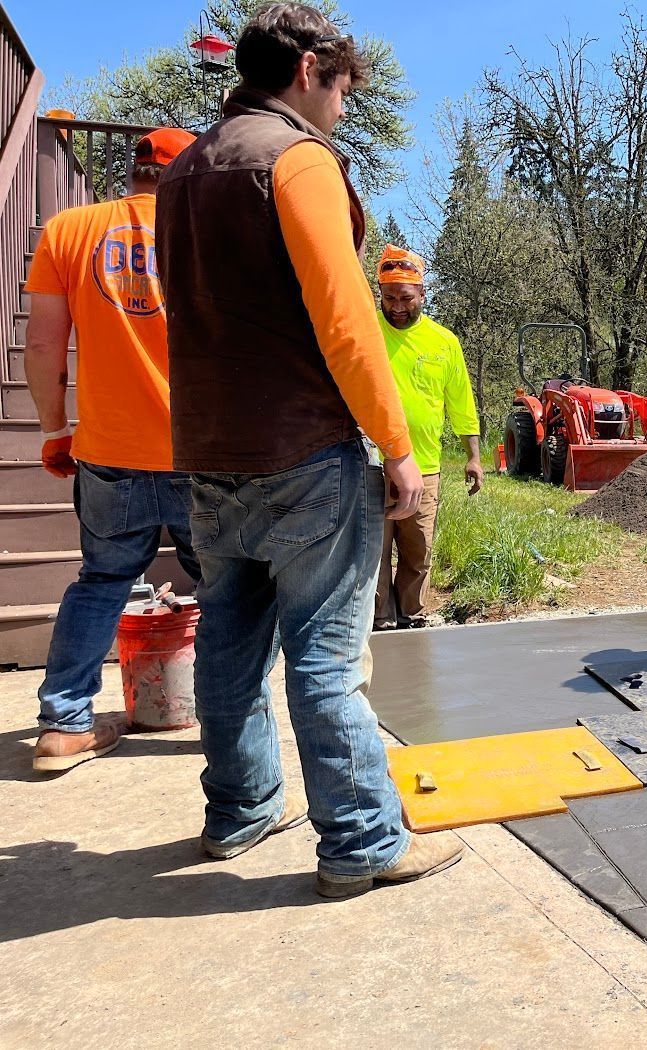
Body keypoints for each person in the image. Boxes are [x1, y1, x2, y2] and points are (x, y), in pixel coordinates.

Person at [157, 3, 461, 898]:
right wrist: (396, 445)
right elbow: (345, 319)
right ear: (306, 69)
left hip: (209, 452)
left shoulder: (181, 174)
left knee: (230, 645)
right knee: (327, 662)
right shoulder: (297, 161)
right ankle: (363, 843)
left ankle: (241, 809)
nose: (341, 110)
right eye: (340, 91)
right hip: (301, 451)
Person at [25, 127, 201, 773]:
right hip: (201, 453)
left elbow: (43, 347)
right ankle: (234, 719)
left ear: (134, 170)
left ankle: (64, 724)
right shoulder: (211, 233)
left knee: (101, 581)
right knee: (230, 587)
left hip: (109, 450)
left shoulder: (69, 230)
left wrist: (54, 430)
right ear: (188, 174)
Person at [373, 244, 483, 631]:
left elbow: (460, 400)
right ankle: (380, 617)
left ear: (423, 294)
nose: (397, 306)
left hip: (425, 465)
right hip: (370, 464)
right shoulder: (366, 333)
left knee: (417, 548)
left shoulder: (443, 342)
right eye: (389, 298)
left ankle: (413, 613)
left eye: (405, 298)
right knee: (375, 550)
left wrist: (473, 455)